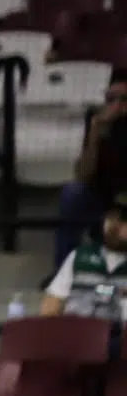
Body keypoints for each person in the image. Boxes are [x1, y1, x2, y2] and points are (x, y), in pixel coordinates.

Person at [58, 74, 127, 266]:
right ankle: (64, 270)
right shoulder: (98, 122)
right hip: (101, 198)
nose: (117, 106)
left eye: (124, 99)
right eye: (111, 99)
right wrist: (95, 133)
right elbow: (83, 174)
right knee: (72, 194)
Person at [41, 191, 127, 320]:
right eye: (111, 218)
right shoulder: (80, 256)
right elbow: (52, 304)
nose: (114, 226)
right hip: (77, 334)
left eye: (123, 221)